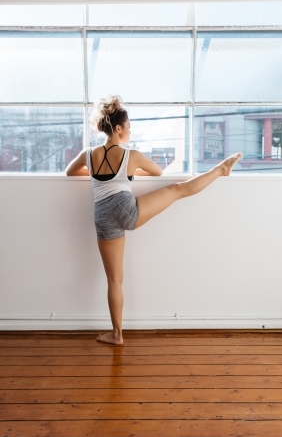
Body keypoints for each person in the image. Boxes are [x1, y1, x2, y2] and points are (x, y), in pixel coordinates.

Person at [65, 95, 242, 345]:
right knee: (176, 190)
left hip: (102, 216)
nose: (130, 129)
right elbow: (158, 172)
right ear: (118, 128)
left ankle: (116, 334)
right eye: (128, 126)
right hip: (126, 210)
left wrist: (96, 173)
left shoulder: (88, 154)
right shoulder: (131, 155)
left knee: (114, 280)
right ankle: (221, 170)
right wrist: (130, 170)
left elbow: (70, 171)